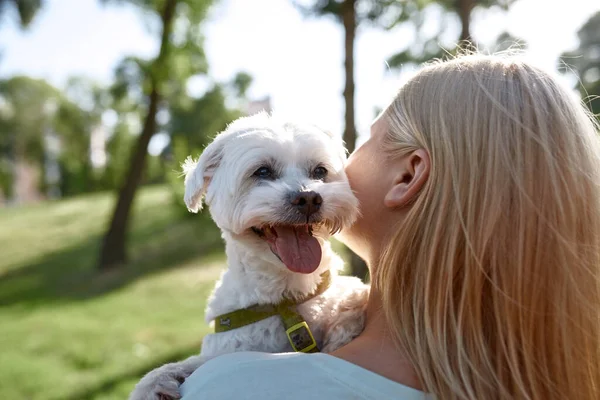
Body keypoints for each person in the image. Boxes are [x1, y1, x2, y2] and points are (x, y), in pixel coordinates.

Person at [180, 53, 600, 399]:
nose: (308, 192)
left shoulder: (231, 387)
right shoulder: (550, 378)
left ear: (408, 176)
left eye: (366, 138)